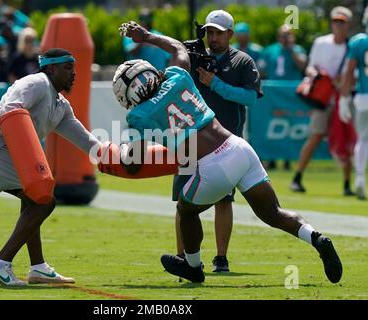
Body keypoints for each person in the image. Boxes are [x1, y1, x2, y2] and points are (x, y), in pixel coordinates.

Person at [104, 20, 342, 284]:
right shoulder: (177, 76)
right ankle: (317, 238)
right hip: (240, 148)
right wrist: (146, 35)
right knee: (273, 213)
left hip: (212, 164)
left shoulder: (139, 114)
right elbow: (177, 49)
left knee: (186, 210)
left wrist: (118, 154)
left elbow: (134, 164)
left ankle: (193, 267)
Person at [0, 48, 102, 286]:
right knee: (44, 200)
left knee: (33, 200)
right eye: (68, 68)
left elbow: (87, 141)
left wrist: (117, 156)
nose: (74, 74)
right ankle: (0, 263)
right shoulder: (36, 82)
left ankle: (38, 267)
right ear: (51, 68)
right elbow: (11, 107)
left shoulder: (61, 105)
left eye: (74, 68)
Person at [173, 10, 263, 273]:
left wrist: (215, 83)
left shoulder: (242, 62)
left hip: (226, 143)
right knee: (182, 199)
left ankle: (221, 257)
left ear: (230, 35)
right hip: (190, 139)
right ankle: (183, 258)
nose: (212, 38)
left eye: (218, 33)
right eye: (209, 32)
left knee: (224, 200)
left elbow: (249, 97)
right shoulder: (194, 58)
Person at [290, 6, 354, 195]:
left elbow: (353, 75)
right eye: (335, 21)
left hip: (342, 98)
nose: (338, 25)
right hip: (323, 98)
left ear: (347, 24)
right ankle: (297, 177)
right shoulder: (321, 42)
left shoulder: (351, 47)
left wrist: (339, 82)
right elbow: (311, 67)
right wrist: (319, 76)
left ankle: (347, 184)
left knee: (345, 140)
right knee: (316, 135)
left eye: (342, 22)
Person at [259, 24, 307, 170]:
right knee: (272, 125)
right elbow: (260, 70)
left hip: (292, 96)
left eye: (287, 35)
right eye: (282, 36)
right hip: (273, 96)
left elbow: (303, 66)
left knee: (290, 125)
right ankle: (271, 158)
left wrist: (291, 49)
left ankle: (288, 158)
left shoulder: (298, 50)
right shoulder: (270, 51)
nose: (285, 39)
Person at [338, 7, 368, 200]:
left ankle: (359, 177)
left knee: (363, 139)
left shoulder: (359, 41)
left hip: (363, 97)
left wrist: (344, 97)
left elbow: (349, 72)